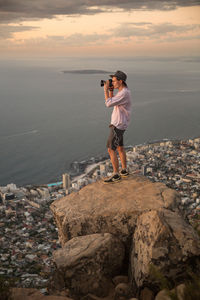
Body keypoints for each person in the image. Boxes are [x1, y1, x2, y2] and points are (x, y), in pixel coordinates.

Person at [103, 70, 132, 183]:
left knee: (111, 149)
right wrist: (111, 91)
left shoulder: (124, 93)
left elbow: (108, 104)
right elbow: (113, 102)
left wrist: (105, 90)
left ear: (120, 81)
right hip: (121, 123)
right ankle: (124, 170)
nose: (112, 83)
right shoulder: (123, 92)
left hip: (118, 125)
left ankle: (116, 174)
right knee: (119, 147)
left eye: (114, 81)